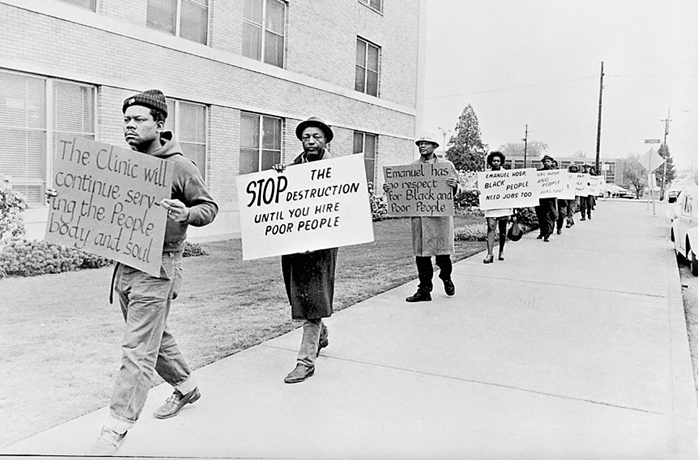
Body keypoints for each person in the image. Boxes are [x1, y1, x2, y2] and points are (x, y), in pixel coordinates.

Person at [89, 89, 219, 456]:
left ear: (160, 124)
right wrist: (69, 199)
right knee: (153, 338)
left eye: (138, 120)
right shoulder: (123, 163)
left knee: (137, 350)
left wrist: (187, 213)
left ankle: (114, 430)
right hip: (126, 267)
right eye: (126, 120)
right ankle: (187, 386)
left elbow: (209, 207)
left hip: (157, 269)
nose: (129, 126)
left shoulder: (180, 166)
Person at [272, 117, 337, 384]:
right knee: (300, 296)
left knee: (313, 299)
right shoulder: (292, 169)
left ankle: (305, 361)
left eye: (316, 137)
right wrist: (278, 176)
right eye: (306, 137)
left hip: (321, 248)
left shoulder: (337, 170)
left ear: (326, 140)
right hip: (294, 245)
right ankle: (320, 333)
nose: (310, 141)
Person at [383, 134, 459, 302]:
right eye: (420, 144)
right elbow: (402, 191)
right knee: (422, 256)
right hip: (420, 219)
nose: (423, 146)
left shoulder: (446, 166)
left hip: (440, 218)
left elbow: (453, 193)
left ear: (434, 146)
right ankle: (424, 290)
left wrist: (454, 186)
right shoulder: (412, 168)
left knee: (443, 255)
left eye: (427, 143)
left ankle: (446, 278)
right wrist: (391, 189)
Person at [483, 151, 513, 263]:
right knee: (491, 228)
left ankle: (501, 250)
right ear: (490, 162)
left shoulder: (506, 174)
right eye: (494, 160)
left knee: (502, 230)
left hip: (503, 206)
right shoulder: (486, 174)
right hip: (491, 205)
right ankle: (489, 253)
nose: (496, 163)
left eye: (498, 161)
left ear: (501, 162)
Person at [535, 155, 557, 242]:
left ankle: (547, 234)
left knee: (549, 216)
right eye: (545, 161)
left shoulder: (555, 173)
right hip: (540, 199)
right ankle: (542, 232)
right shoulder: (539, 172)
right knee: (540, 217)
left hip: (550, 199)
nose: (546, 163)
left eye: (548, 161)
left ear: (551, 163)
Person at [552, 159, 568, 235]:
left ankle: (559, 228)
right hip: (551, 199)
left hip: (560, 198)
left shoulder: (561, 174)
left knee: (561, 215)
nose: (553, 167)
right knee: (551, 214)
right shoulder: (546, 174)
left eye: (554, 166)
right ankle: (550, 229)